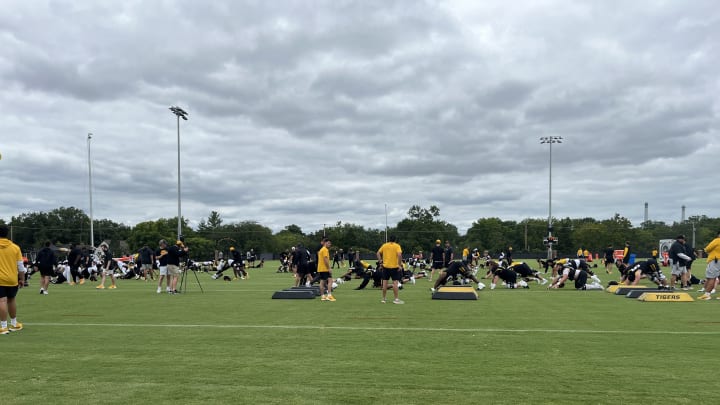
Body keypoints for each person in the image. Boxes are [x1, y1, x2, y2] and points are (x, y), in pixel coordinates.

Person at [0, 224, 26, 334]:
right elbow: (20, 266)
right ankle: (14, 324)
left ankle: (3, 326)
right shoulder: (15, 247)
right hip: (12, 279)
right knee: (11, 300)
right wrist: (22, 279)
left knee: (2, 300)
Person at [377, 235, 403, 304]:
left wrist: (380, 262)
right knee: (395, 283)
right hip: (394, 267)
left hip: (385, 267)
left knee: (385, 283)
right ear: (395, 240)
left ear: (389, 239)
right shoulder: (397, 246)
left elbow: (378, 253)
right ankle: (396, 299)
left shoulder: (384, 245)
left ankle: (383, 299)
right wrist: (399, 265)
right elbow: (399, 255)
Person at [698, 230, 720, 300]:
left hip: (715, 260)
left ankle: (707, 295)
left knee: (711, 278)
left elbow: (707, 249)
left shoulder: (717, 240)